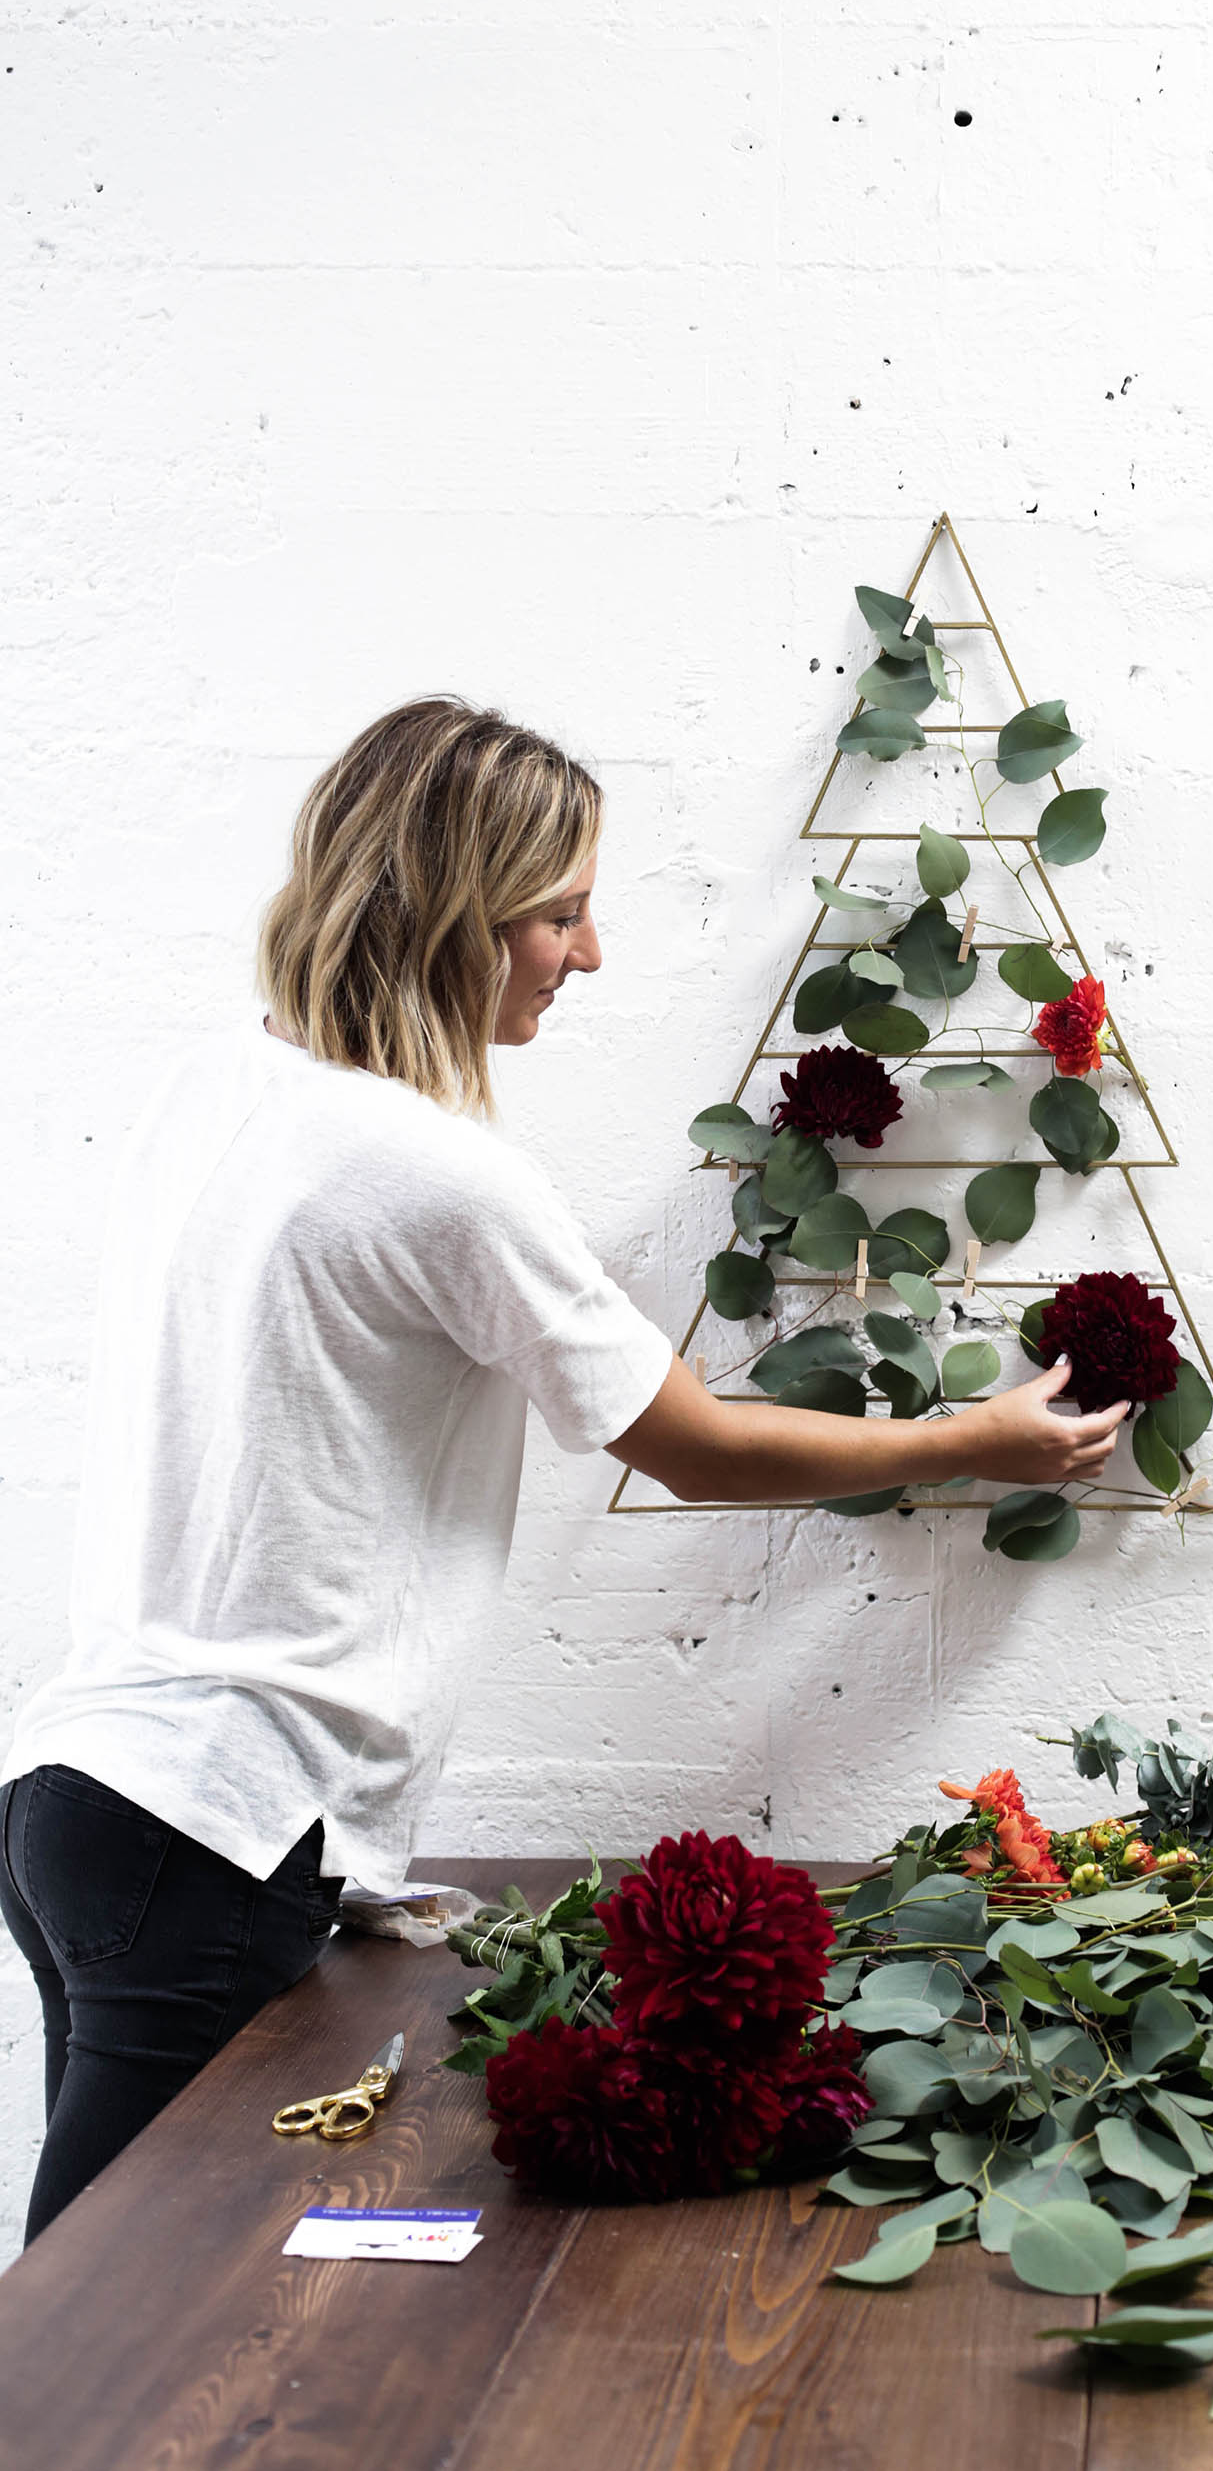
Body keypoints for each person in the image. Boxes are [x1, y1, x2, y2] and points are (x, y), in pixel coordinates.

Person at [0, 697, 1124, 2244]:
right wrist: (975, 1440)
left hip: (91, 1795)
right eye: (561, 911)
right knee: (112, 2327)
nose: (586, 954)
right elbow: (695, 1448)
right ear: (454, 915)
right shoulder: (438, 1174)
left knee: (112, 2301)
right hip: (206, 1826)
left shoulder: (222, 1093)